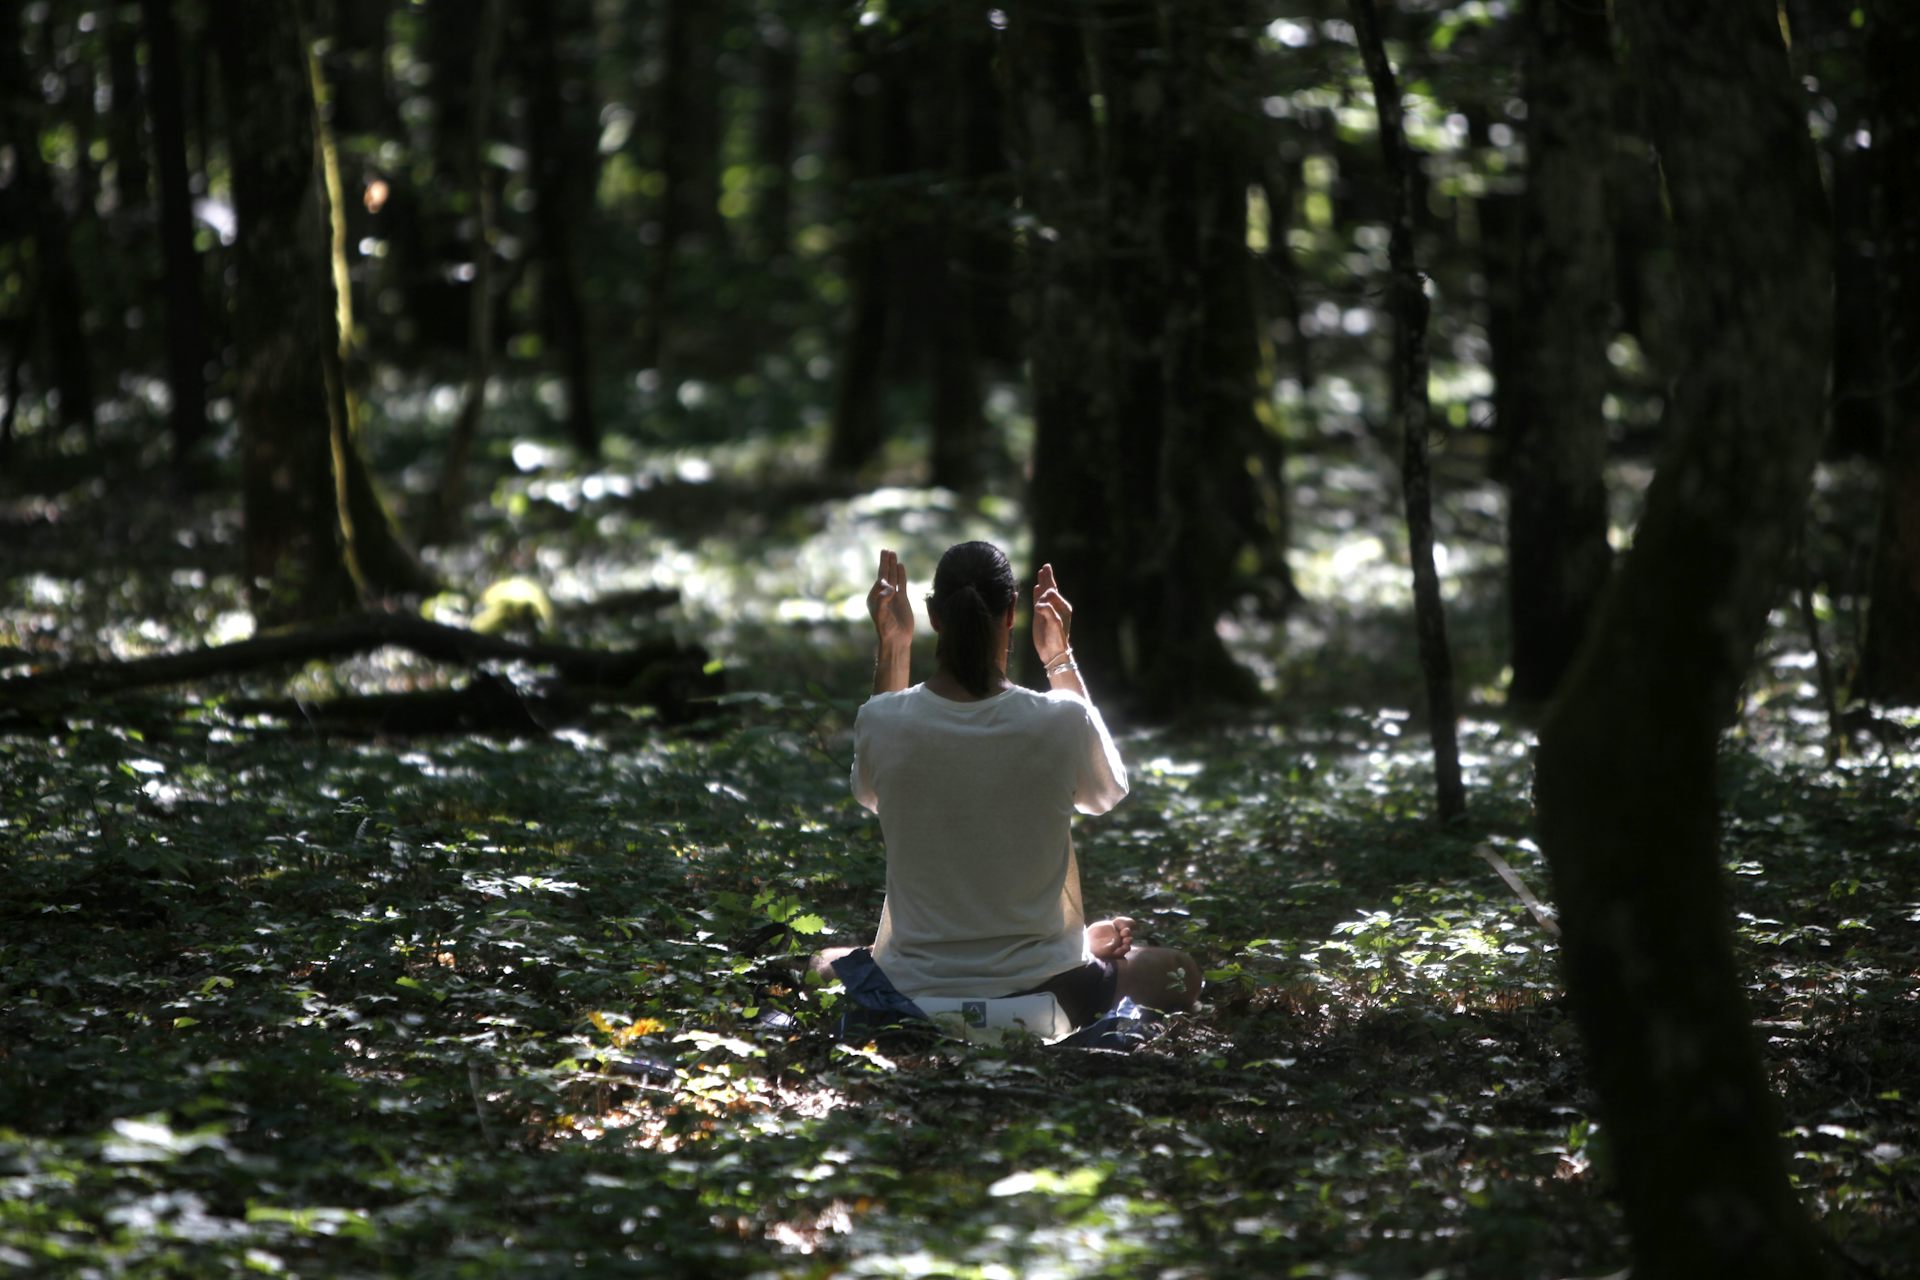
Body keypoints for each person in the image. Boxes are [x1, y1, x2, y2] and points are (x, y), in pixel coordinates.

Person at [820, 540, 1200, 1029]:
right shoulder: (1061, 718)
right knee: (1178, 973)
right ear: (1012, 613)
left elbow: (869, 792)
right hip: (1050, 989)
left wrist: (892, 646)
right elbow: (1106, 794)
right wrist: (1059, 656)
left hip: (912, 991)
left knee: (822, 964)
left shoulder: (882, 720)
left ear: (934, 616)